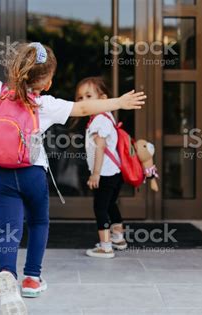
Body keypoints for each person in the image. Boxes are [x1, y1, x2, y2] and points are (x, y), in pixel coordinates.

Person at [0, 41, 146, 315]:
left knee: (9, 228)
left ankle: (7, 274)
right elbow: (83, 109)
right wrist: (119, 102)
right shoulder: (45, 104)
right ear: (48, 82)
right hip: (31, 173)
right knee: (38, 222)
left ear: (16, 71)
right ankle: (32, 278)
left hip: (0, 174)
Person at [76, 77, 128, 259]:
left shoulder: (99, 120)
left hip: (104, 173)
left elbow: (100, 146)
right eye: (80, 98)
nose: (83, 101)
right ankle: (118, 238)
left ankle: (105, 247)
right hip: (114, 172)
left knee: (100, 208)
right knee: (110, 205)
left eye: (88, 96)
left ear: (104, 99)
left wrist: (95, 174)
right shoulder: (106, 117)